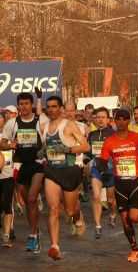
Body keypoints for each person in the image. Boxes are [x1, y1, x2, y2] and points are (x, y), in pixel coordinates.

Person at [96, 109, 138, 263]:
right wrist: (103, 170)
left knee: (133, 216)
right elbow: (102, 160)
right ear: (114, 121)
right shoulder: (110, 141)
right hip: (119, 182)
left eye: (124, 119)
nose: (121, 122)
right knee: (125, 218)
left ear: (128, 121)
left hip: (135, 180)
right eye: (118, 119)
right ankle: (134, 249)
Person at [40, 96, 90, 260]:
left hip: (69, 171)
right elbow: (46, 147)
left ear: (61, 108)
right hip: (52, 171)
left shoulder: (69, 125)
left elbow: (85, 146)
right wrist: (43, 152)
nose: (51, 109)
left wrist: (67, 149)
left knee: (69, 210)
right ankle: (55, 246)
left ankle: (77, 215)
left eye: (54, 106)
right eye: (49, 107)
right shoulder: (44, 126)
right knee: (53, 209)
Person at [0, 92, 46, 253]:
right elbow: (2, 143)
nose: (23, 107)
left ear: (31, 105)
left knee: (33, 198)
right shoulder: (12, 123)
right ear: (18, 106)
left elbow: (49, 139)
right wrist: (11, 145)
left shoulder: (41, 121)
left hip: (38, 164)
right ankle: (35, 231)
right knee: (28, 203)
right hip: (20, 165)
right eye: (21, 104)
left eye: (26, 104)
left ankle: (33, 235)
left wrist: (45, 151)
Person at [87, 107, 117, 239]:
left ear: (108, 119)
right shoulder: (92, 134)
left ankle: (112, 213)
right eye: (97, 117)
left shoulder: (113, 134)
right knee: (96, 196)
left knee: (110, 200)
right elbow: (88, 152)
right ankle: (98, 226)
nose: (100, 120)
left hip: (110, 169)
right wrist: (85, 161)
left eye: (103, 117)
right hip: (96, 169)